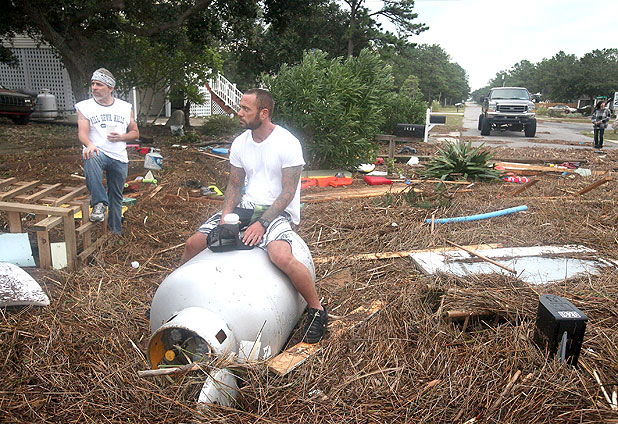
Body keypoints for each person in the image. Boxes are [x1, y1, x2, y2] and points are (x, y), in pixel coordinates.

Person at [182, 88, 328, 344]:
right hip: (246, 207)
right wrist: (227, 218)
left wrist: (262, 223)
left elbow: (288, 192)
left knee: (280, 256)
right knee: (193, 243)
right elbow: (235, 185)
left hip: (276, 210)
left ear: (264, 113)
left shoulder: (287, 143)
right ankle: (181, 297)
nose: (239, 113)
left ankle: (317, 310)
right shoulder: (241, 142)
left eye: (245, 109)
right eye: (240, 107)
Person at [75, 68, 139, 234]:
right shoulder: (84, 107)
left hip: (119, 156)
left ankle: (114, 232)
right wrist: (89, 144)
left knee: (116, 196)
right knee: (91, 155)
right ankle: (98, 204)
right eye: (93, 84)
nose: (94, 87)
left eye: (99, 84)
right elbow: (82, 132)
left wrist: (122, 137)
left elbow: (135, 132)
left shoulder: (125, 108)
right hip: (98, 152)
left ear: (110, 88)